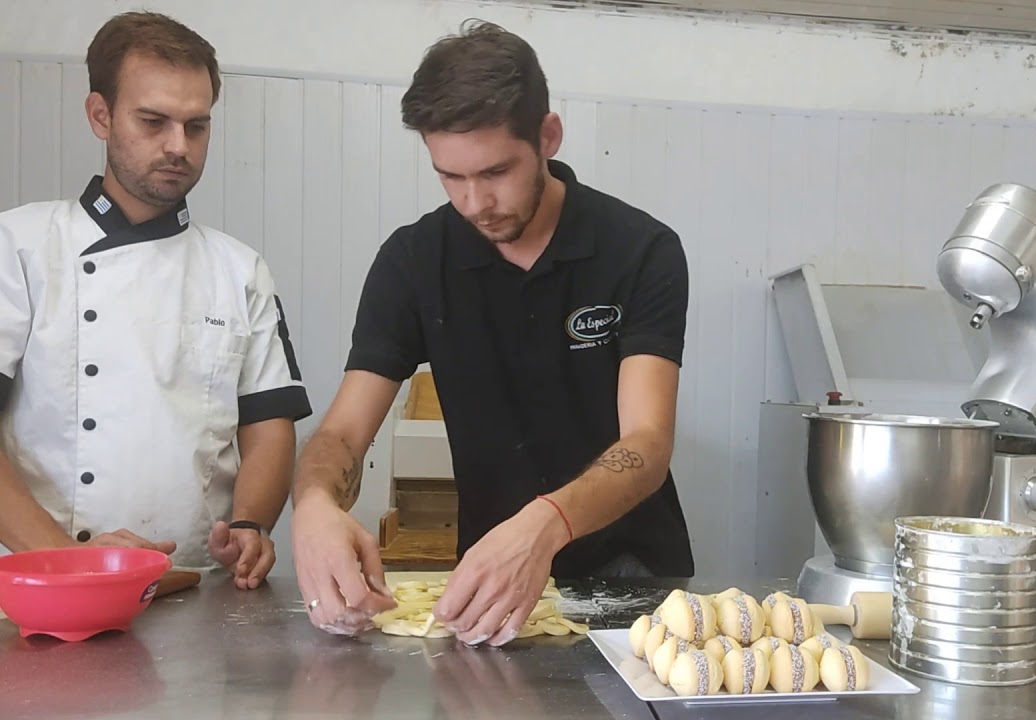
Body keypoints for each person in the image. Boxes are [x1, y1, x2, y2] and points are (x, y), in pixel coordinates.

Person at [291, 20, 695, 643]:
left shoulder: (639, 250)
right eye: (450, 177)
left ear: (548, 137)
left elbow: (646, 442)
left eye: (496, 172)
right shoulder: (414, 261)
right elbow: (343, 433)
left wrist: (548, 521)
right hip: (486, 584)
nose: (475, 201)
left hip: (634, 576)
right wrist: (314, 506)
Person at [0, 12, 312, 588]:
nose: (178, 146)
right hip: (40, 591)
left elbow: (267, 423)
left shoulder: (238, 270)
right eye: (153, 121)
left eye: (197, 126)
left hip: (190, 590)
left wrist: (250, 525)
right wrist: (69, 563)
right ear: (100, 115)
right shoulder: (18, 247)